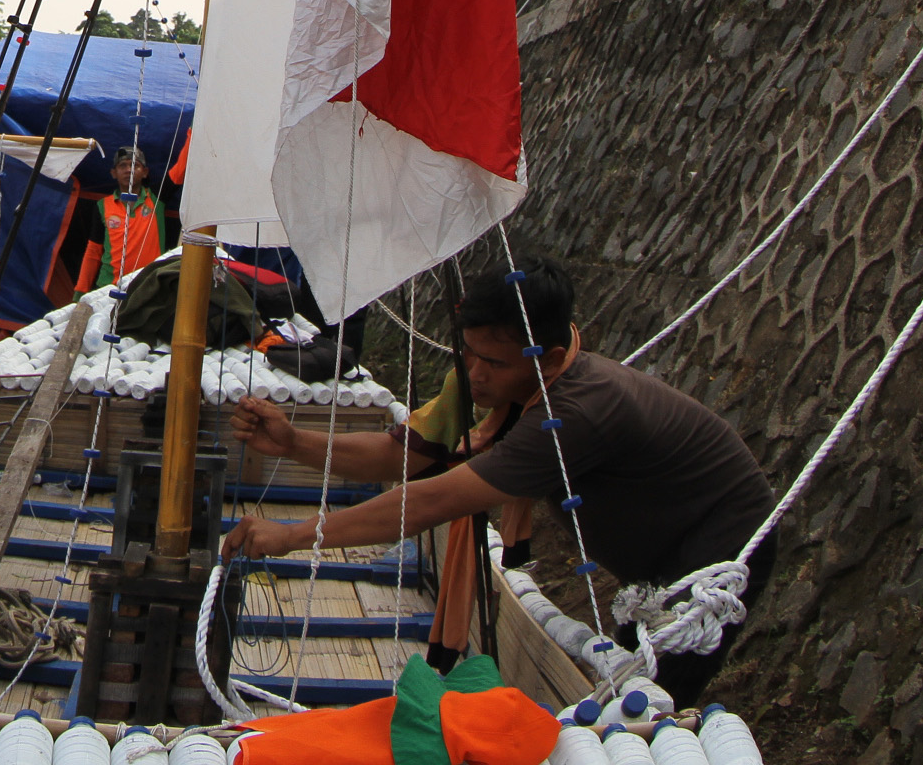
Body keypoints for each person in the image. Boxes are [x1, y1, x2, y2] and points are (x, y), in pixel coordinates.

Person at [221, 260, 776, 704]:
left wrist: (293, 536)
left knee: (651, 705)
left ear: (550, 357)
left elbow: (433, 500)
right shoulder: (493, 383)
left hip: (720, 543)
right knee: (630, 684)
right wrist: (295, 443)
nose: (476, 373)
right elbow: (404, 455)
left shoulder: (572, 414)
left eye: (493, 361)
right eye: (468, 353)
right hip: (655, 551)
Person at [58, 145, 170, 292]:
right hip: (109, 287)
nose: (128, 169)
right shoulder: (103, 205)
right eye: (122, 165)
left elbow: (180, 171)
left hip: (148, 285)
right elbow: (93, 251)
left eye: (135, 165)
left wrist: (193, 129)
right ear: (113, 173)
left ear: (145, 172)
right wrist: (80, 292)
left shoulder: (156, 198)